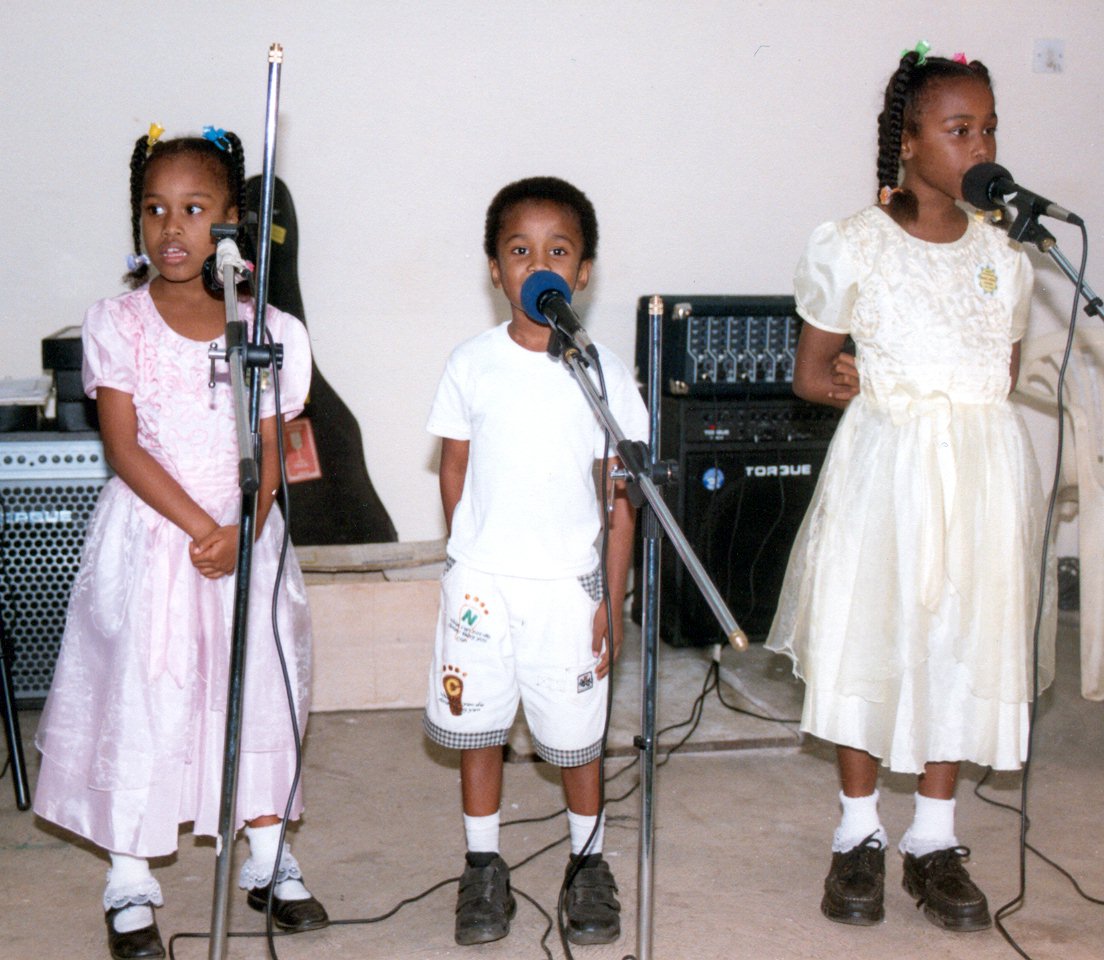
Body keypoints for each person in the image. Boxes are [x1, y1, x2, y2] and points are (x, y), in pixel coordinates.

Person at [766, 45, 1054, 932]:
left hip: (977, 474)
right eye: (958, 129)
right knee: (875, 638)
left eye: (989, 128)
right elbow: (812, 375)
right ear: (908, 142)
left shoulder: (1007, 253)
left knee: (962, 645)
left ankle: (934, 837)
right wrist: (862, 387)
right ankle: (858, 833)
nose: (979, 145)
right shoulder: (854, 242)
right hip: (887, 471)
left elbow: (996, 373)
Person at [33, 126, 328, 960]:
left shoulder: (266, 328)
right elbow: (123, 447)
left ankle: (267, 858)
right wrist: (203, 528)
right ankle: (129, 877)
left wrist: (244, 525)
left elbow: (275, 443)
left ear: (230, 221)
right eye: (155, 210)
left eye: (195, 210)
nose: (172, 229)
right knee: (147, 697)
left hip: (247, 540)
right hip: (154, 540)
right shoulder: (117, 323)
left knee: (255, 686)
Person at [423, 176, 649, 947]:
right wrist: (465, 561)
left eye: (559, 251)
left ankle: (587, 860)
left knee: (577, 734)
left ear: (583, 271)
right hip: (484, 582)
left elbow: (620, 497)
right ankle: (483, 864)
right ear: (495, 268)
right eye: (520, 251)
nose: (538, 264)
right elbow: (455, 468)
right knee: (479, 728)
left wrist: (609, 600)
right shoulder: (472, 363)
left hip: (567, 586)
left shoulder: (604, 375)